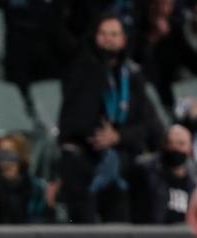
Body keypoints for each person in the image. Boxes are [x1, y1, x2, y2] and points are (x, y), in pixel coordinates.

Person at [58, 14, 163, 223]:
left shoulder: (133, 76)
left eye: (114, 34)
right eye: (103, 33)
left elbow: (146, 125)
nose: (108, 39)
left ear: (123, 40)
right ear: (94, 37)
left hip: (120, 161)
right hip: (84, 160)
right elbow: (72, 120)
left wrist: (118, 137)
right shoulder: (81, 69)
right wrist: (98, 135)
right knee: (83, 234)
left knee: (119, 231)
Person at [0, 132, 51, 223]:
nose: (5, 156)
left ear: (20, 154)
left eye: (9, 151)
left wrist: (50, 205)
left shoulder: (35, 187)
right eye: (0, 152)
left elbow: (41, 223)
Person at [131, 124, 196, 223]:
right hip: (155, 234)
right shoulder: (145, 171)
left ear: (190, 148)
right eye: (170, 143)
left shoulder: (194, 177)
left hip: (187, 235)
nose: (175, 148)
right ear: (163, 145)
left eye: (181, 144)